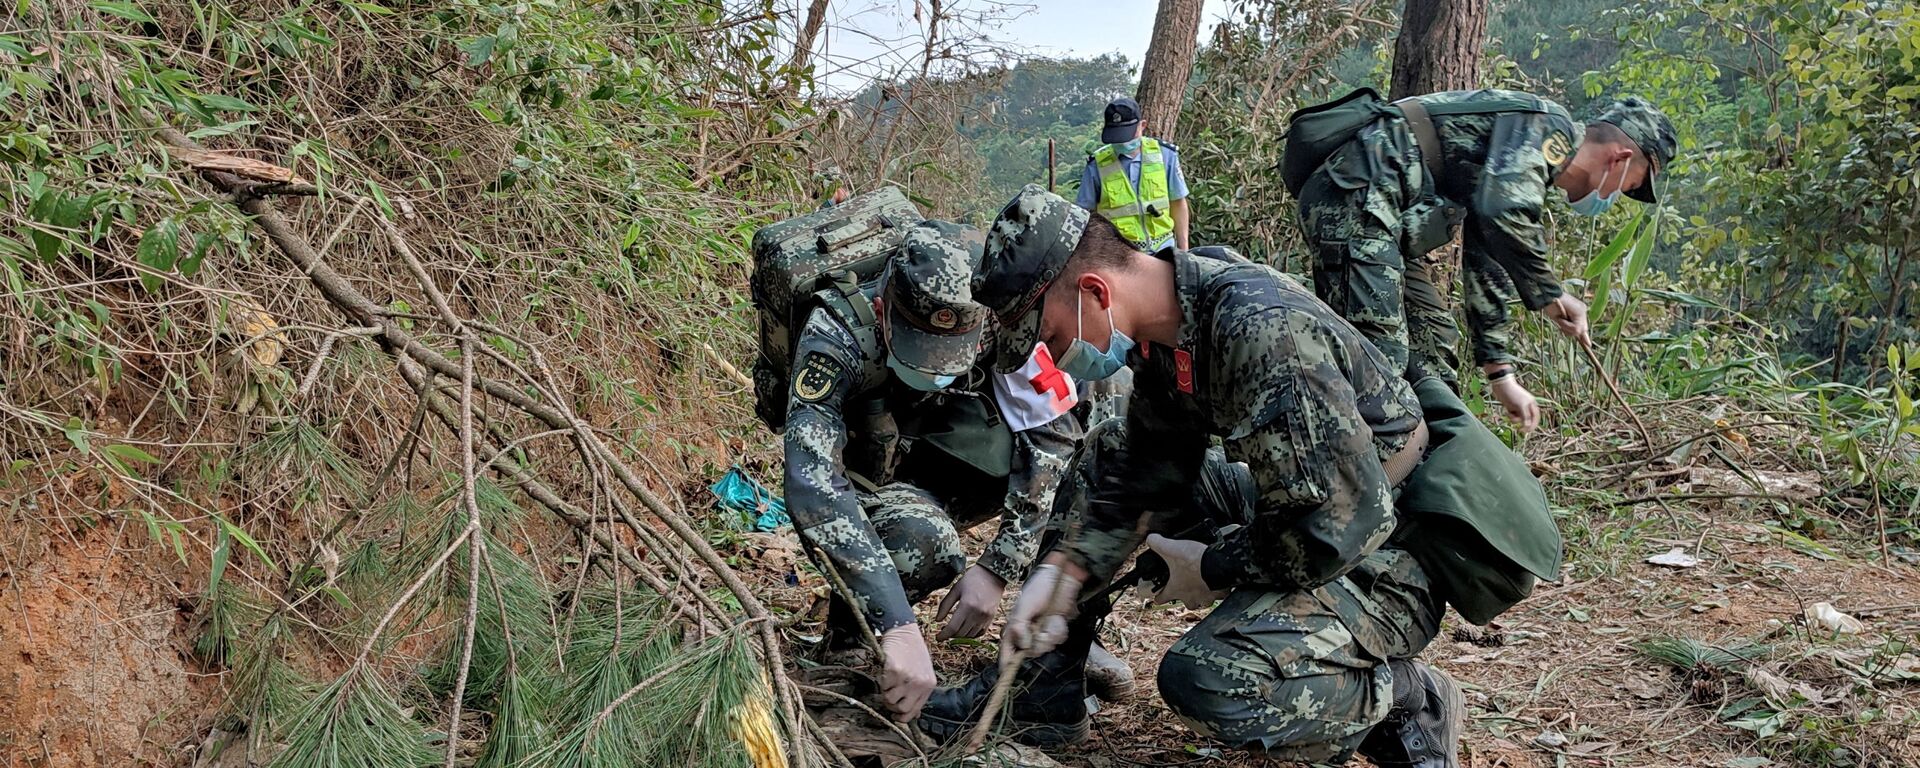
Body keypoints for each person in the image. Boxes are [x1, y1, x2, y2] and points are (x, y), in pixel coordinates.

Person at [920, 187, 1561, 768]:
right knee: (1108, 452)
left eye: (1048, 334)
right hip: (1313, 500)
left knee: (1212, 679)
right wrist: (1069, 571)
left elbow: (1330, 532)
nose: (1052, 356)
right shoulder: (1171, 322)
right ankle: (1043, 688)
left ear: (1094, 292)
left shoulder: (1260, 333)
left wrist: (1212, 566)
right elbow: (1149, 467)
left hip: (1393, 543)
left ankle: (1405, 698)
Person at [781, 219, 1087, 724]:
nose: (937, 370)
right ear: (883, 312)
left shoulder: (996, 311)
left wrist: (999, 567)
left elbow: (1052, 435)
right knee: (922, 542)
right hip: (867, 470)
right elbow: (812, 482)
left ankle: (1057, 651)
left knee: (1092, 461)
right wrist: (897, 623)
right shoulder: (835, 334)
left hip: (943, 454)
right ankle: (851, 636)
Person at [1295, 93, 1677, 432]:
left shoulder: (1525, 165)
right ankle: (1355, 485)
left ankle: (1433, 468)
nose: (1617, 196)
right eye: (1629, 187)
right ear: (1620, 158)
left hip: (1382, 217)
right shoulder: (1549, 127)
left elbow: (1488, 251)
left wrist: (1501, 374)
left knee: (1432, 344)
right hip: (1355, 199)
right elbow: (1503, 212)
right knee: (1381, 364)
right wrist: (1551, 295)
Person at [1078, 96, 1191, 253]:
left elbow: (1178, 203)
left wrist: (1184, 250)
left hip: (1163, 249)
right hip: (1119, 254)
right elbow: (1085, 214)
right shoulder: (1097, 165)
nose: (1122, 142)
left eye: (1126, 134)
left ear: (1142, 126)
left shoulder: (1165, 155)